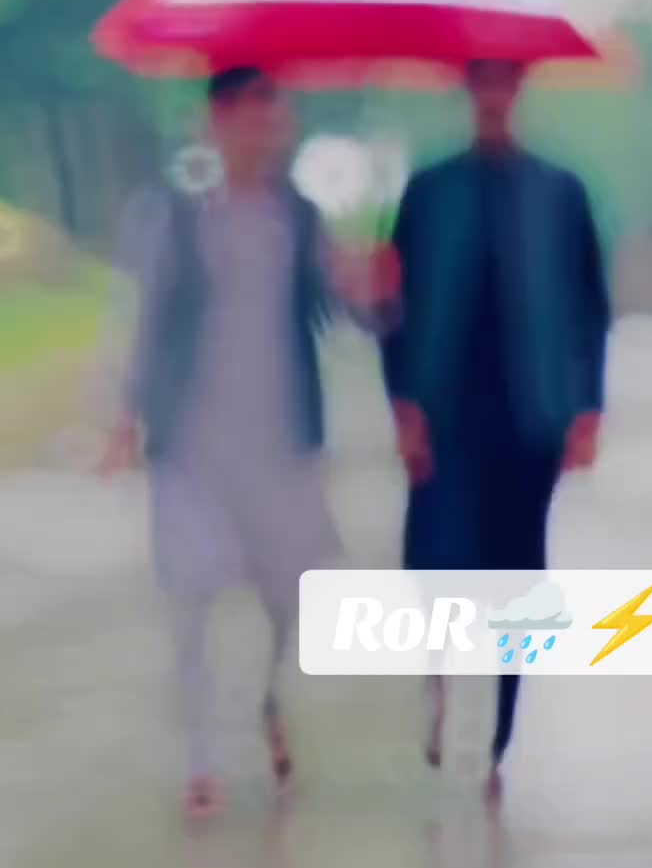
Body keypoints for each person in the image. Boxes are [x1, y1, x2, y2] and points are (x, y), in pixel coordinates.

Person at [100, 66, 394, 824]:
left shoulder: (299, 218)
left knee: (287, 595)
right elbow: (146, 321)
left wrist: (365, 287)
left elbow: (347, 318)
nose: (255, 125)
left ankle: (267, 697)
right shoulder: (174, 216)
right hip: (193, 439)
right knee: (189, 593)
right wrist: (124, 415)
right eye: (239, 110)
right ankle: (200, 761)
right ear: (213, 122)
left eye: (268, 108)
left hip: (280, 436)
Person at [381, 59, 610, 799]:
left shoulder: (559, 194)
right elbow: (395, 309)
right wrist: (402, 404)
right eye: (480, 84)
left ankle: (501, 733)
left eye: (502, 84)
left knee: (518, 570)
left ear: (517, 92)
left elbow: (589, 307)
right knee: (437, 559)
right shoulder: (430, 192)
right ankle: (440, 684)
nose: (492, 98)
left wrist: (587, 408)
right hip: (446, 409)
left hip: (530, 412)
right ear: (468, 93)